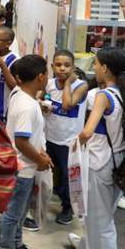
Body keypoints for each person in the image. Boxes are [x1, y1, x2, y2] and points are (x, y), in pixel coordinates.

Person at [69, 47, 125, 249]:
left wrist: (76, 143)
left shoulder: (103, 96)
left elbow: (87, 131)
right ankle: (86, 248)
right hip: (120, 160)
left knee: (101, 222)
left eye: (96, 63)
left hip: (100, 162)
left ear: (105, 68)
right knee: (102, 213)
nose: (94, 67)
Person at [0, 54, 50, 249]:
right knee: (13, 213)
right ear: (40, 77)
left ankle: (17, 245)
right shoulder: (26, 106)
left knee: (20, 213)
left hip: (25, 167)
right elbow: (21, 140)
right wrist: (40, 159)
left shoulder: (21, 94)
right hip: (21, 167)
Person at [44, 50, 89, 225]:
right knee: (53, 172)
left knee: (67, 177)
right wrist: (43, 104)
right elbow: (42, 98)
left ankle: (68, 207)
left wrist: (68, 83)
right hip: (50, 137)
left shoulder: (81, 85)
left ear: (73, 67)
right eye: (58, 65)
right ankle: (57, 195)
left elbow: (67, 105)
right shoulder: (49, 84)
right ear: (52, 66)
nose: (62, 68)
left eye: (67, 65)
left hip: (68, 141)